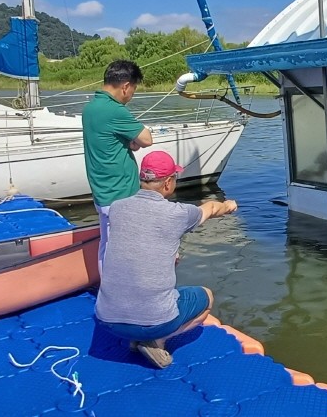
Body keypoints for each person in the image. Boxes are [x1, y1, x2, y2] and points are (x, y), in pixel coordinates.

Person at [94, 150, 238, 368]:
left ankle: (141, 335)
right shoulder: (177, 213)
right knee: (206, 297)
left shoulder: (117, 208)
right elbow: (210, 208)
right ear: (168, 183)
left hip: (107, 320)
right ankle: (156, 341)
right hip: (154, 321)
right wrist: (228, 206)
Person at [82, 59, 153, 266]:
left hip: (102, 192)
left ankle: (108, 291)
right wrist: (135, 140)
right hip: (119, 195)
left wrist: (128, 142)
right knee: (121, 252)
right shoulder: (114, 110)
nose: (131, 96)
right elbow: (147, 139)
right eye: (134, 90)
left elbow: (107, 139)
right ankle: (116, 295)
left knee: (107, 246)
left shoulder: (91, 108)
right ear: (125, 86)